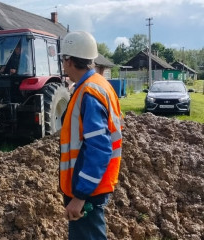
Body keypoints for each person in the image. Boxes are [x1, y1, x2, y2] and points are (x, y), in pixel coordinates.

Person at [58, 31, 123, 239]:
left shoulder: (89, 92)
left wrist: (80, 196)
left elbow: (100, 149)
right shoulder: (97, 85)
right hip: (91, 185)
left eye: (63, 58)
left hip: (87, 190)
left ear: (68, 60)